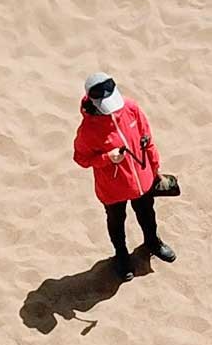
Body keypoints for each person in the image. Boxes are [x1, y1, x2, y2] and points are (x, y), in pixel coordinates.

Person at [71, 73, 178, 282]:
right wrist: (107, 158)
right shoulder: (87, 130)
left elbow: (148, 139)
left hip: (143, 180)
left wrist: (154, 169)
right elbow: (81, 158)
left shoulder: (131, 108)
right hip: (112, 189)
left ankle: (153, 243)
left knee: (147, 215)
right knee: (117, 222)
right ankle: (121, 256)